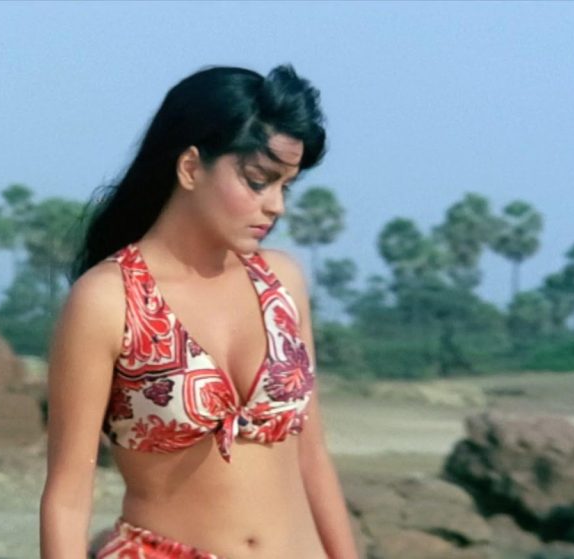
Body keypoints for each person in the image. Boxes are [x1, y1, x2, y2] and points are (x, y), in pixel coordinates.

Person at [39, 64, 358, 559]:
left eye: (285, 187)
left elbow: (312, 456)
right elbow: (67, 497)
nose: (276, 206)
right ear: (190, 167)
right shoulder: (107, 300)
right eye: (258, 181)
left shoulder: (282, 283)